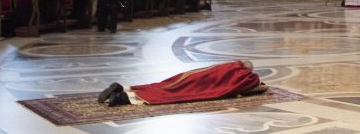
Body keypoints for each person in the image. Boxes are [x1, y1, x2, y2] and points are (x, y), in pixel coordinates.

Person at [98, 60, 266, 107]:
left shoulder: (231, 64)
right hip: (202, 85)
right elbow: (254, 84)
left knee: (162, 85)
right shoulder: (243, 74)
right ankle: (121, 97)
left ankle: (123, 88)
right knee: (171, 93)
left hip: (193, 75)